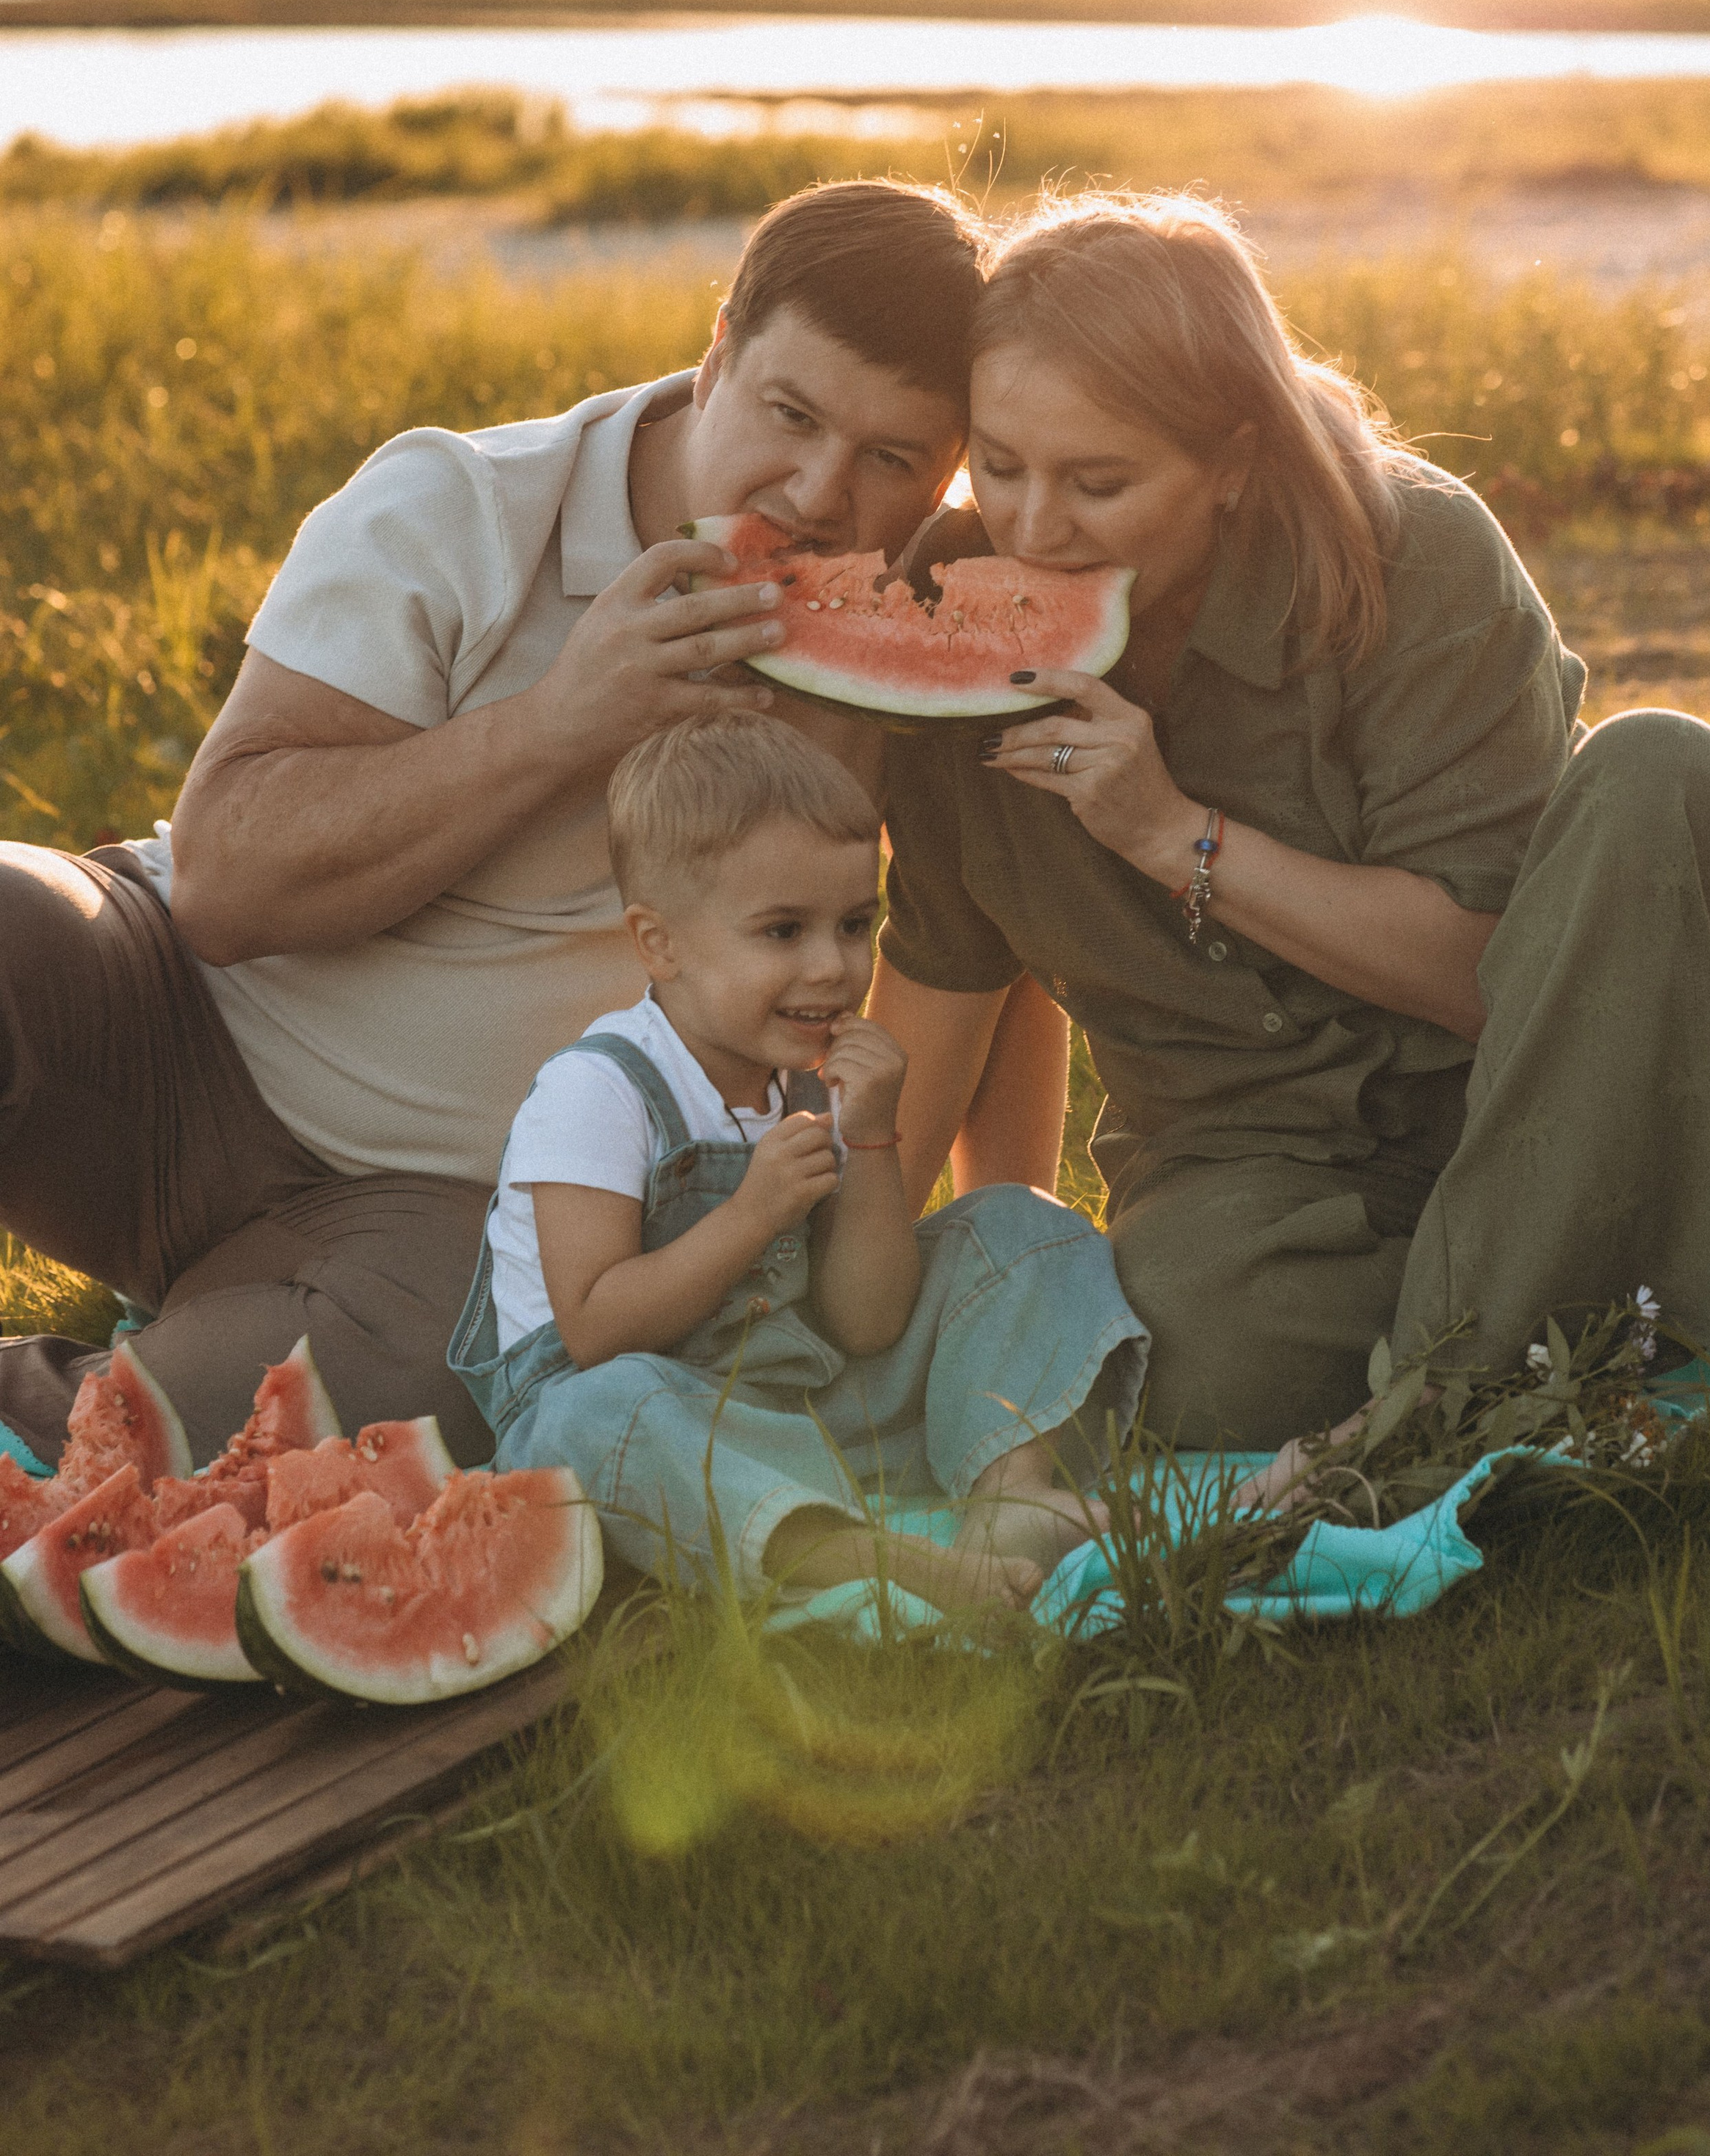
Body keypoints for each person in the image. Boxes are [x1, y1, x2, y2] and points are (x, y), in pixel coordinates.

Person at [0, 177, 1047, 1470]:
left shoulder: (911, 628)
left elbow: (993, 945)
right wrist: (562, 720)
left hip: (461, 1216)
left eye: (892, 460)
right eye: (790, 414)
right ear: (718, 347)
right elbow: (219, 885)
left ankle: (71, 1405)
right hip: (169, 1048)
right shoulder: (464, 506)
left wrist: (1003, 1243)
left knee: (425, 1394)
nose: (821, 495)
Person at [870, 192, 1710, 1482]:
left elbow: (1487, 980)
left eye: (1099, 481)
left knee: (1662, 768)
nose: (1032, 526)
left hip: (1597, 1069)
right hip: (1264, 1184)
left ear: (1233, 459)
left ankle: (1424, 1411)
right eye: (999, 464)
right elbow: (939, 1013)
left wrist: (1175, 835)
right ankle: (1647, 1299)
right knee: (1179, 1349)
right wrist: (832, 1318)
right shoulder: (950, 624)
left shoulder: (1416, 552)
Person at [449, 716, 1145, 1609]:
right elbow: (593, 1330)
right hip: (649, 1424)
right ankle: (890, 1565)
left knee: (1017, 1223)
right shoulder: (597, 1091)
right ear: (658, 942)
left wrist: (871, 1140)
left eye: (855, 925)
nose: (833, 967)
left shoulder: (798, 1079)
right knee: (594, 1417)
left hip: (796, 1404)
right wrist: (751, 1214)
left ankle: (1010, 1498)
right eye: (782, 933)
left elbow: (864, 1323)